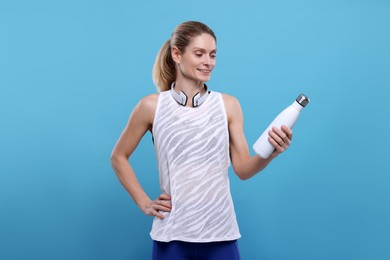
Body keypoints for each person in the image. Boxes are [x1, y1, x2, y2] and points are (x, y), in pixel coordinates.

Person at [111, 21, 293, 260]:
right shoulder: (151, 107)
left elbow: (243, 169)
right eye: (199, 54)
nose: (209, 62)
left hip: (220, 233)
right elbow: (118, 157)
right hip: (172, 235)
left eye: (213, 55)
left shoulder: (228, 105)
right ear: (177, 54)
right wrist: (144, 202)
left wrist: (272, 152)